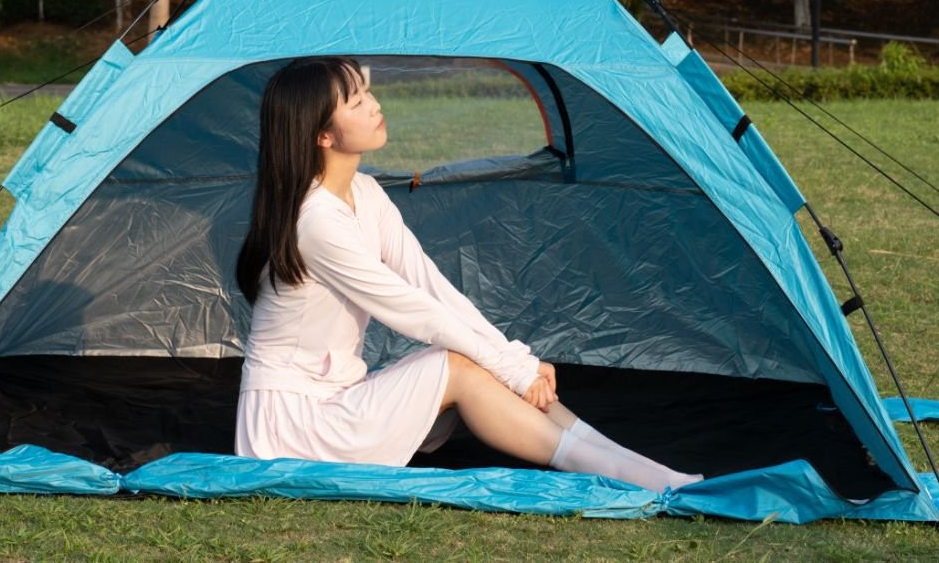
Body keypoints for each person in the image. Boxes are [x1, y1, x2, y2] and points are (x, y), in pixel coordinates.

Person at [235, 56, 702, 492]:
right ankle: (622, 473)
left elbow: (432, 287)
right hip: (290, 429)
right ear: (322, 136)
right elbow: (414, 311)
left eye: (368, 93)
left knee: (474, 355)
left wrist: (514, 362)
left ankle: (639, 466)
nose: (376, 105)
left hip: (339, 399)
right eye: (357, 102)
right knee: (459, 362)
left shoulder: (365, 191)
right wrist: (513, 369)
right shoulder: (316, 222)